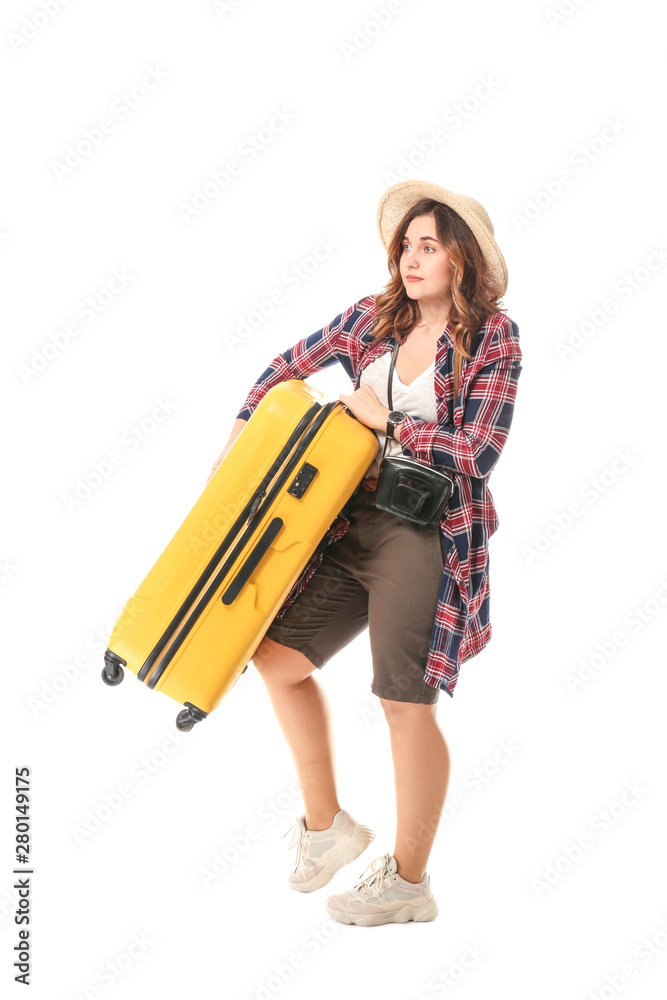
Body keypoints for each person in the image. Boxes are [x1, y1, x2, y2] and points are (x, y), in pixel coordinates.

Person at [208, 179, 523, 926]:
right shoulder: (371, 318)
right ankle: (328, 828)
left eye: (428, 245)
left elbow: (477, 451)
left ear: (462, 257)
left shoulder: (493, 339)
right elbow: (281, 369)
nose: (410, 259)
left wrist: (387, 422)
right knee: (276, 659)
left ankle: (408, 881)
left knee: (401, 703)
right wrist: (241, 437)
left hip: (424, 534)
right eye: (404, 246)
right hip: (346, 522)